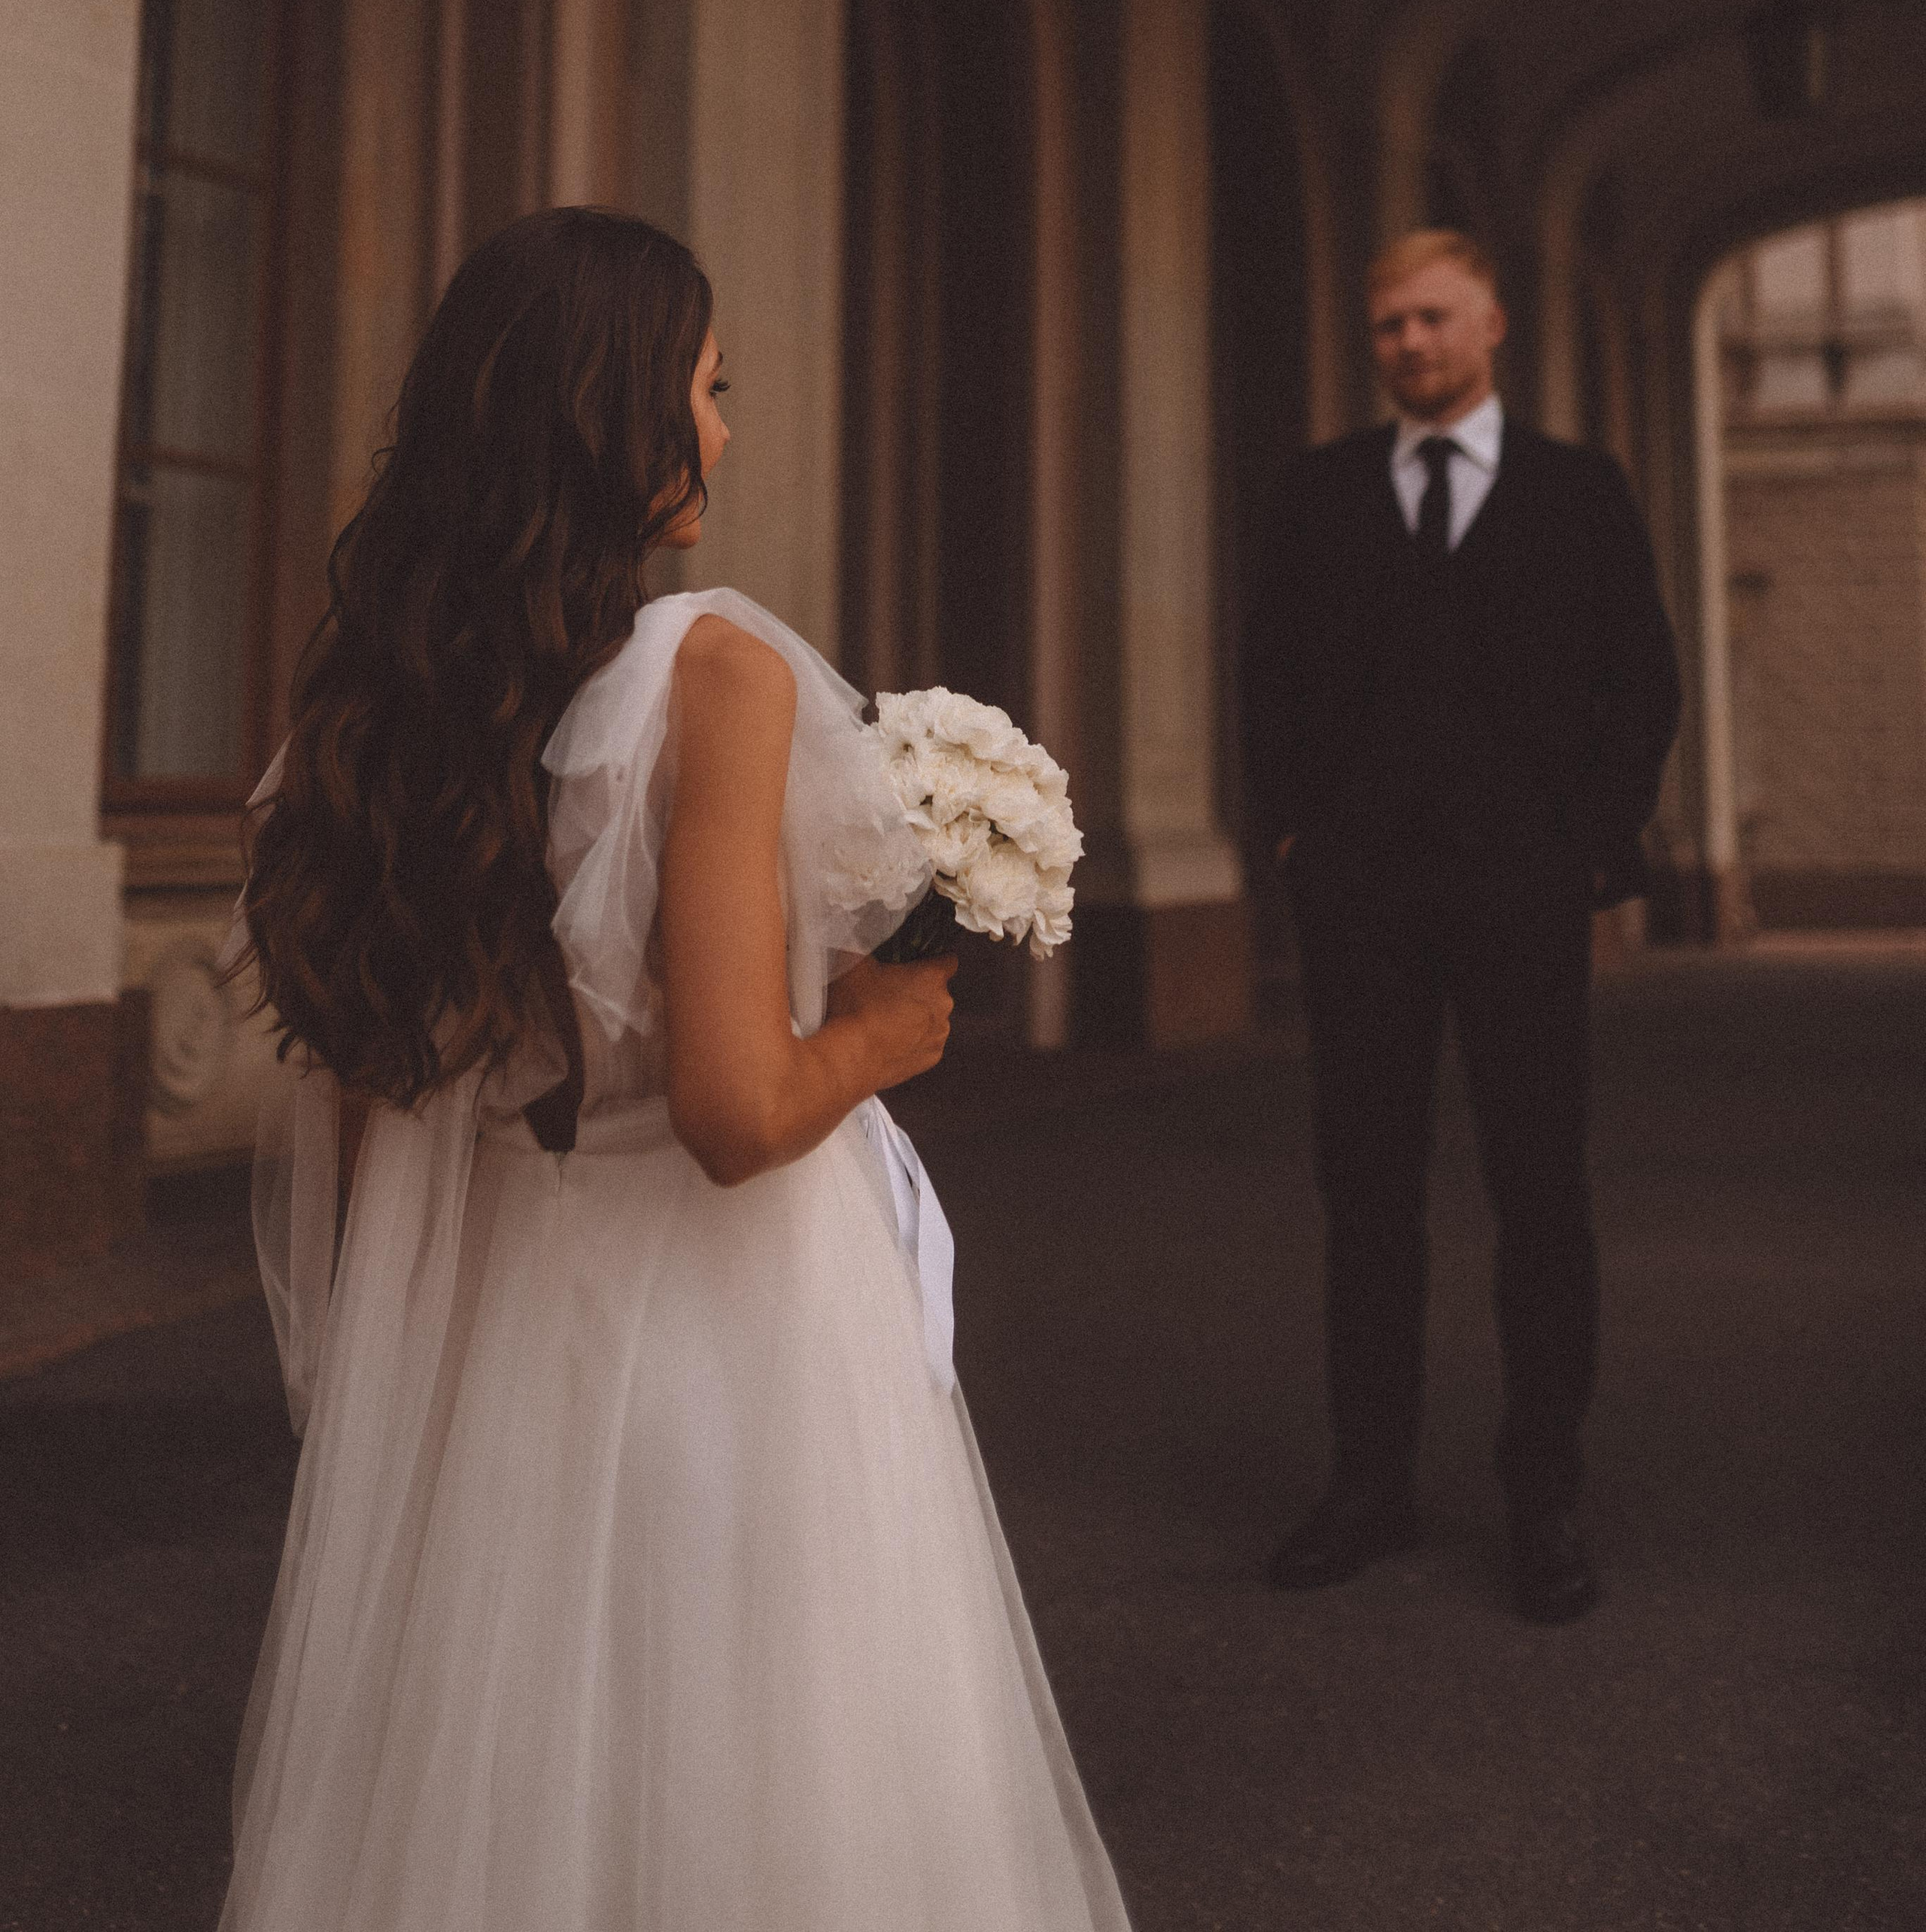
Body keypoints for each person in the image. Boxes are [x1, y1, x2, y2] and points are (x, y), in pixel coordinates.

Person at [218, 207, 1131, 1932]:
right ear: (611, 412)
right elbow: (730, 1111)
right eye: (705, 388)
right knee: (751, 1762)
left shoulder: (391, 701)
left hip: (497, 1329)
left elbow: (367, 1099)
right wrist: (877, 1035)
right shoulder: (705, 675)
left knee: (511, 1766)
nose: (722, 428)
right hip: (721, 1334)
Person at [1245, 229, 1681, 1624]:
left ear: (1493, 322)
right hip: (1361, 895)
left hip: (1522, 895)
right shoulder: (1319, 495)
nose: (1410, 345)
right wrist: (1298, 836)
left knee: (1539, 1189)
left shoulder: (1578, 493)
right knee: (1364, 1192)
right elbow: (1268, 676)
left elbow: (1644, 679)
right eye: (1387, 326)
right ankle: (1369, 1484)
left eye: (1433, 319)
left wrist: (1590, 847)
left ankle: (1541, 1493)